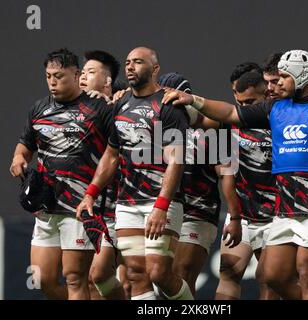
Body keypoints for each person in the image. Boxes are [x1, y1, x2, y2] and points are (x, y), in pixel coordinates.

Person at [162, 49, 308, 300]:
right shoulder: (275, 109)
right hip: (285, 211)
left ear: (302, 75)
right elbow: (229, 113)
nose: (277, 82)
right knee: (273, 276)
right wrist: (193, 99)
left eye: (283, 76)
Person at [76, 47, 193, 300]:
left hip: (161, 201)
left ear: (155, 69)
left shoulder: (168, 105)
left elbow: (176, 160)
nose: (130, 67)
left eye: (138, 62)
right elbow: (111, 155)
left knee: (158, 273)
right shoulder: (121, 103)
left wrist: (161, 206)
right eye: (128, 62)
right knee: (136, 274)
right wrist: (90, 194)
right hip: (127, 203)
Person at [9, 48, 113, 300]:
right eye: (48, 76)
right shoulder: (39, 109)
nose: (52, 82)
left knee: (76, 278)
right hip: (46, 207)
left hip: (80, 208)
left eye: (59, 76)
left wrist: (93, 194)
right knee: (42, 278)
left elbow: (114, 155)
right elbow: (25, 145)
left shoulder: (98, 108)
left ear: (77, 74)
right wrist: (18, 158)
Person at [158, 72, 242, 297]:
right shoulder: (157, 126)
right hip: (166, 209)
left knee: (182, 273)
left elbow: (225, 174)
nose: (164, 101)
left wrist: (234, 216)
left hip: (199, 212)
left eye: (169, 95)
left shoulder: (210, 129)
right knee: (159, 276)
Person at [216, 71, 279, 300]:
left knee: (269, 279)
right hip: (241, 213)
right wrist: (234, 217)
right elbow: (226, 174)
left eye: (250, 102)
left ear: (267, 94)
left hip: (276, 216)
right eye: (240, 103)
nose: (244, 109)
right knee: (228, 272)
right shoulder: (231, 122)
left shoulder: (282, 119)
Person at [79, 50, 127, 300]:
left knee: (101, 274)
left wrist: (108, 106)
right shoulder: (75, 110)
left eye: (90, 72)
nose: (83, 77)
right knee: (87, 279)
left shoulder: (121, 107)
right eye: (82, 72)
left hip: (120, 207)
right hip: (86, 206)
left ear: (107, 81)